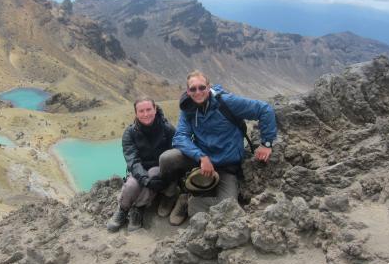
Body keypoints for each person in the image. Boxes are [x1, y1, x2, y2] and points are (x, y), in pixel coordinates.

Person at [160, 70, 277, 225]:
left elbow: (264, 109)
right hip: (201, 160)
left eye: (202, 87)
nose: (198, 92)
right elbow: (180, 137)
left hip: (226, 165)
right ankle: (171, 195)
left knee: (228, 208)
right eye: (193, 89)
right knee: (167, 159)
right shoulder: (188, 108)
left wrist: (266, 143)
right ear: (188, 91)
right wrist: (201, 156)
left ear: (209, 87)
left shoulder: (227, 102)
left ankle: (187, 201)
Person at [107, 97, 177, 232]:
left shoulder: (168, 129)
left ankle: (138, 208)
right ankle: (122, 210)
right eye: (141, 111)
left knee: (153, 173)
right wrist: (145, 180)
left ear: (155, 109)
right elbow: (132, 161)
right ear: (136, 113)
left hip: (159, 169)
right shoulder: (130, 133)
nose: (146, 114)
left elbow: (174, 154)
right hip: (139, 169)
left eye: (149, 109)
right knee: (131, 185)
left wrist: (168, 177)